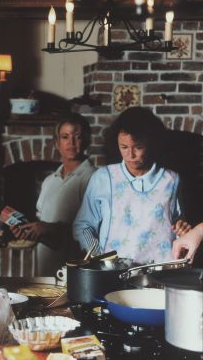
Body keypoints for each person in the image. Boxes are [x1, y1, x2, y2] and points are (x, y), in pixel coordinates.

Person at [73, 107, 191, 264]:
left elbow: (177, 225)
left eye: (138, 147)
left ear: (152, 143)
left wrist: (182, 231)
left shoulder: (171, 180)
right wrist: (98, 256)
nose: (130, 155)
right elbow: (83, 225)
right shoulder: (103, 178)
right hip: (113, 272)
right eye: (124, 147)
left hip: (160, 272)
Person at [9, 113, 95, 275]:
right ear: (57, 143)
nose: (71, 142)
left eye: (77, 136)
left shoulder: (94, 178)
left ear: (87, 141)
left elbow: (95, 230)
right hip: (46, 269)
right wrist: (29, 231)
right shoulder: (49, 181)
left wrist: (47, 228)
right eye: (65, 137)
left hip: (77, 270)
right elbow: (42, 223)